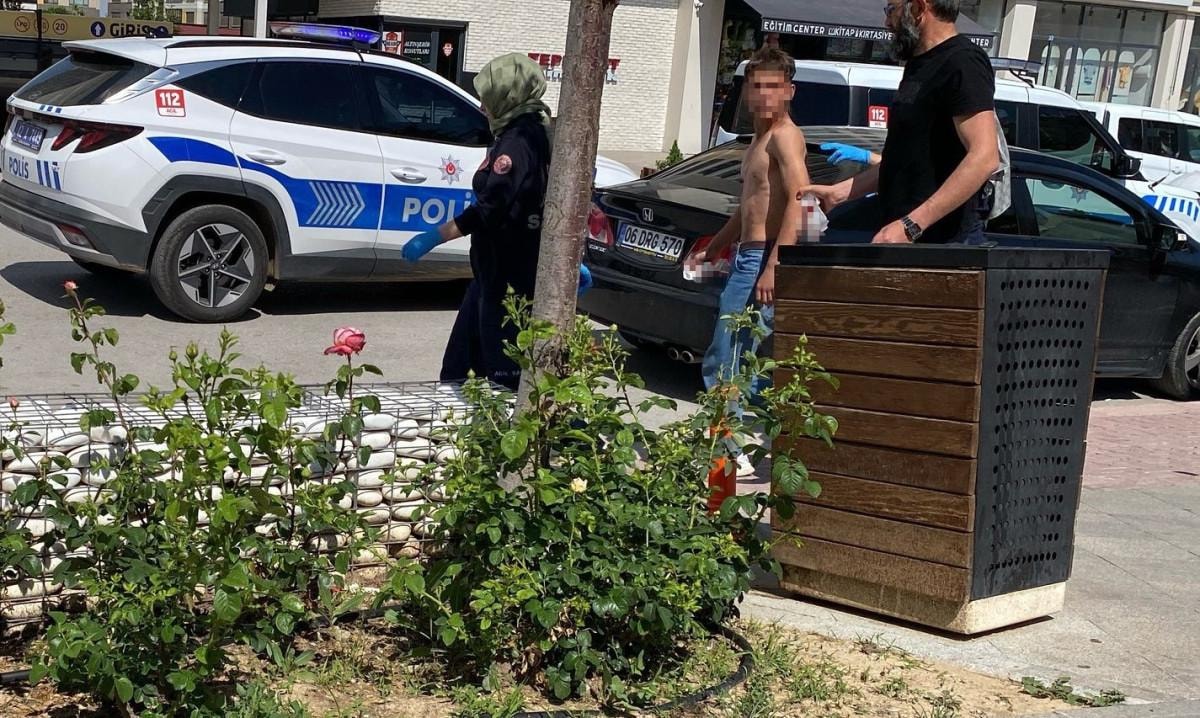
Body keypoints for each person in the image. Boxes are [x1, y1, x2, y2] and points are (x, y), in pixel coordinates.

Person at [685, 47, 810, 474]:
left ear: (789, 91)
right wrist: (715, 246)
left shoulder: (785, 136)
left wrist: (775, 264)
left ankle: (725, 455)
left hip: (763, 257)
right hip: (746, 255)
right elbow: (749, 207)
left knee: (729, 354)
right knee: (739, 355)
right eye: (757, 86)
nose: (764, 95)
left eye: (774, 86)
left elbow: (802, 199)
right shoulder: (757, 140)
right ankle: (739, 447)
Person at [402, 53, 552, 391]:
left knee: (502, 376)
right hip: (492, 272)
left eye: (487, 96)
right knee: (460, 365)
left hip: (508, 278)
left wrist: (434, 237)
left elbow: (490, 208)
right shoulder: (526, 131)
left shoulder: (519, 141)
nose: (482, 105)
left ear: (507, 94)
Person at [800, 0, 999, 244]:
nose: (887, 22)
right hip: (902, 235)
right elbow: (901, 160)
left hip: (941, 244)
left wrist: (912, 225)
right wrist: (839, 193)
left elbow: (984, 157)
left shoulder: (964, 62)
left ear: (918, 8)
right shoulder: (919, 63)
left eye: (891, 10)